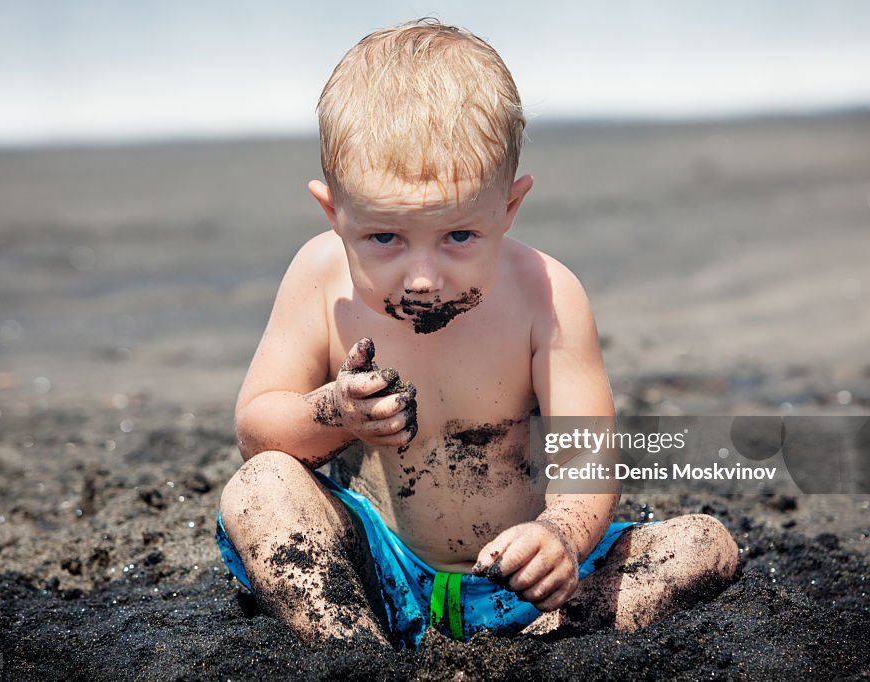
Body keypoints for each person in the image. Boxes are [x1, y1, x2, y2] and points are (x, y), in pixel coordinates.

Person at [216, 19, 737, 648]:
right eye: (384, 238)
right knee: (259, 490)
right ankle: (354, 651)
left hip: (523, 586)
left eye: (460, 236)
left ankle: (541, 644)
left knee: (705, 544)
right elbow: (257, 435)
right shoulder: (320, 279)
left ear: (509, 208)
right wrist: (335, 411)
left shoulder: (546, 294)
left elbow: (587, 452)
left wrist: (562, 536)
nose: (424, 277)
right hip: (378, 569)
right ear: (335, 213)